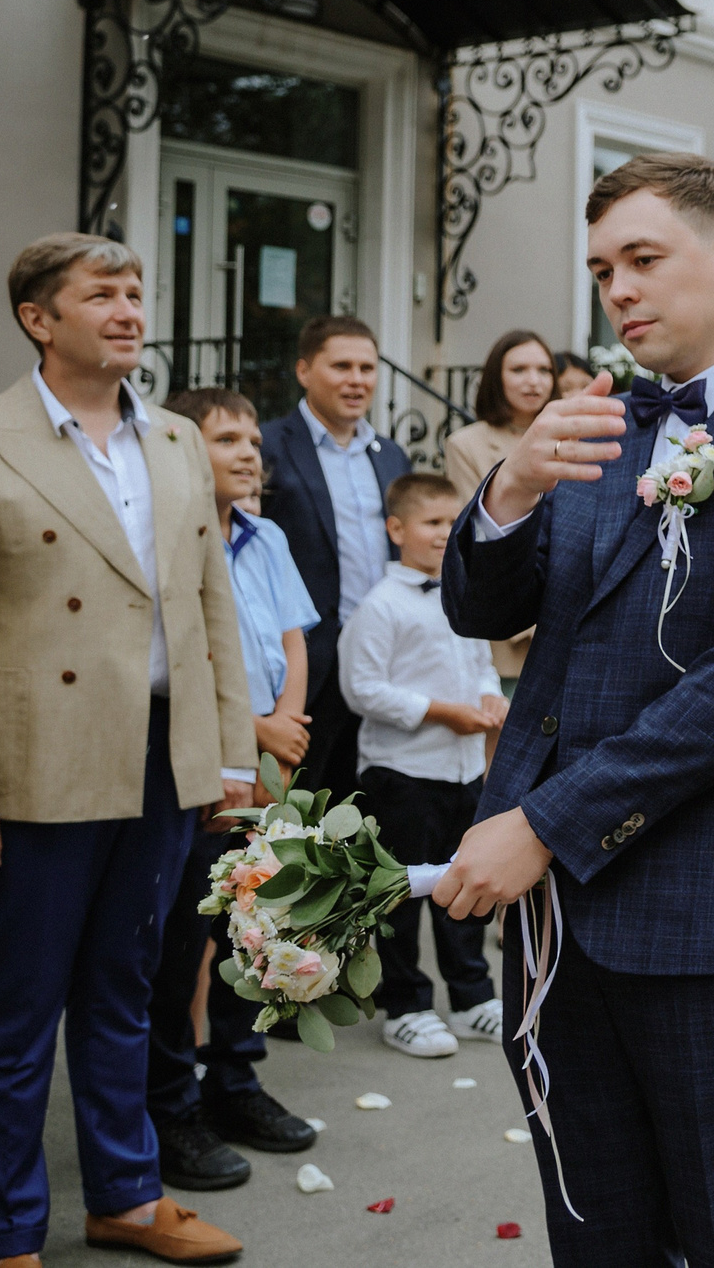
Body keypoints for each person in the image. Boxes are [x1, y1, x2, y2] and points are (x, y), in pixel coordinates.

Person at [435, 151, 714, 1266]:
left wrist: (539, 825)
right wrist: (511, 490)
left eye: (643, 258)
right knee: (593, 1229)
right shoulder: (595, 424)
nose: (619, 289)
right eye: (601, 270)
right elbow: (475, 607)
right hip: (559, 931)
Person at [0, 233, 255, 1268]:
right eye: (101, 294)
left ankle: (125, 1195)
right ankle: (8, 1232)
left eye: (136, 291)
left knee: (128, 987)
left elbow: (210, 607)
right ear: (38, 319)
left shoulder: (178, 443)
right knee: (19, 1010)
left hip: (161, 757)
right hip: (35, 766)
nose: (128, 309)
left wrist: (229, 752)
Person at [144, 387, 322, 1192]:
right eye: (227, 439)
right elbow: (184, 657)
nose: (251, 451)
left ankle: (236, 1081)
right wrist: (252, 728)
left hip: (272, 758)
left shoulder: (268, 533)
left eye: (254, 437)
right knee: (185, 939)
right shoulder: (166, 537)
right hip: (205, 758)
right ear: (183, 448)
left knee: (257, 930)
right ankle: (171, 1103)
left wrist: (286, 721)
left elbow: (292, 635)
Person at [341, 471, 505, 1059]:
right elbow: (361, 688)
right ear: (396, 529)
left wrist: (488, 696)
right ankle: (405, 1005)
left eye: (451, 522)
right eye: (432, 523)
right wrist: (440, 712)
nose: (444, 534)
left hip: (462, 769)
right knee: (402, 893)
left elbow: (482, 661)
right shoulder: (380, 606)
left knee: (464, 880)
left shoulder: (464, 593)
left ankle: (471, 997)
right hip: (402, 772)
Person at [259, 315, 406, 800]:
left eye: (367, 368)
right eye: (341, 366)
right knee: (293, 807)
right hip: (306, 662)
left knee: (366, 807)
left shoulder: (391, 455)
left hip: (381, 658)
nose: (357, 380)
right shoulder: (269, 446)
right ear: (304, 370)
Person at [440, 329, 556, 689]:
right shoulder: (467, 444)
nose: (533, 381)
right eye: (519, 369)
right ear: (496, 377)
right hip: (508, 631)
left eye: (544, 370)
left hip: (565, 618)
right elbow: (475, 539)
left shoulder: (572, 438)